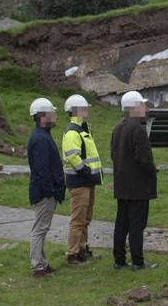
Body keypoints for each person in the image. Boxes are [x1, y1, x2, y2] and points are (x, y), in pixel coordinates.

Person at [109, 90, 158, 271]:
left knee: (121, 224)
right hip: (138, 186)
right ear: (135, 108)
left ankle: (119, 259)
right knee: (137, 225)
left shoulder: (117, 128)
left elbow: (113, 155)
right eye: (143, 105)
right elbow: (144, 159)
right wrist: (152, 173)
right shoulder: (138, 129)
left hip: (122, 185)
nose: (145, 109)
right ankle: (138, 261)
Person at [60, 94, 102, 266]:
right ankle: (72, 254)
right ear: (76, 111)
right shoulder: (72, 132)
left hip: (87, 181)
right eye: (84, 108)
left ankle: (82, 249)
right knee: (78, 220)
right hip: (80, 182)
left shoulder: (82, 129)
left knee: (86, 218)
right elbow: (72, 156)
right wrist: (84, 172)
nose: (87, 111)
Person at [27, 97, 65, 278]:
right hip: (44, 192)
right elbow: (42, 169)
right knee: (39, 229)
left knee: (42, 228)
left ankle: (42, 262)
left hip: (45, 190)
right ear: (43, 116)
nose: (55, 116)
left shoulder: (42, 135)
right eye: (52, 113)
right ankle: (37, 266)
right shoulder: (41, 139)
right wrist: (51, 191)